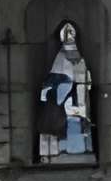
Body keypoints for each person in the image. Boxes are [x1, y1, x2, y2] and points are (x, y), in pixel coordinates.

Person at [37, 20, 95, 163]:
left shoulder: (67, 58)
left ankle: (52, 154)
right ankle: (50, 153)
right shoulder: (60, 59)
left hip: (63, 94)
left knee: (54, 126)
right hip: (60, 94)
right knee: (53, 125)